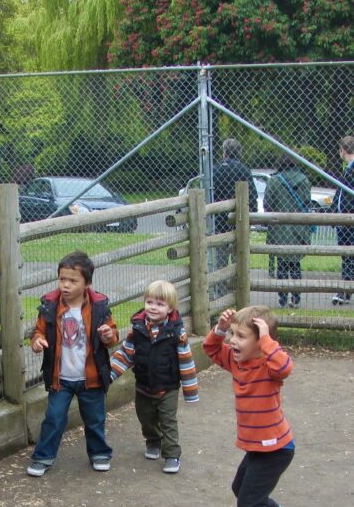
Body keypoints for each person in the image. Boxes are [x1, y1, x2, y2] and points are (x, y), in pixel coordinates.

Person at [202, 305, 307, 507]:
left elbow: (285, 366)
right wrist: (221, 329)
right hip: (259, 448)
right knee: (240, 488)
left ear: (260, 341)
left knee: (248, 504)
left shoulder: (268, 365)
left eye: (241, 336)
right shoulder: (237, 361)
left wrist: (266, 340)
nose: (233, 341)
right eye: (233, 335)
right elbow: (211, 349)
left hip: (276, 449)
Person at [26, 251, 119, 477]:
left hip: (91, 377)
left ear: (87, 283)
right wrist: (37, 341)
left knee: (95, 419)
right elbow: (37, 332)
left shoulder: (98, 307)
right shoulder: (50, 306)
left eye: (73, 280)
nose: (66, 285)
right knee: (54, 418)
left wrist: (108, 336)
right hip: (61, 378)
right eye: (62, 279)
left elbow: (113, 336)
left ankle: (99, 453)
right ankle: (43, 457)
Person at [108, 280, 199, 474]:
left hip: (168, 387)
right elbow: (125, 354)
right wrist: (108, 374)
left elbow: (186, 361)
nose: (153, 308)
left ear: (170, 308)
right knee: (146, 417)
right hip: (143, 386)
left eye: (160, 304)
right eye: (150, 302)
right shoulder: (138, 330)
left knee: (168, 421)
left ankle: (172, 454)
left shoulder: (176, 333)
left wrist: (190, 391)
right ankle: (153, 441)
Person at [210, 139, 258, 299]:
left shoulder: (214, 170)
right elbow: (252, 196)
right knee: (240, 257)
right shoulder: (243, 170)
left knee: (220, 260)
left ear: (224, 152)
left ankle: (221, 293)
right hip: (239, 221)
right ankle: (239, 290)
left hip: (218, 222)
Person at [263, 155, 311, 309]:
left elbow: (267, 204)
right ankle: (296, 299)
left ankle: (282, 300)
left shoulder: (274, 181)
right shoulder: (304, 180)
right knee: (295, 264)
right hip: (298, 228)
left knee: (282, 265)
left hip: (279, 229)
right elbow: (307, 203)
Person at [331, 135, 354, 305]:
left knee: (349, 256)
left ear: (343, 150)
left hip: (349, 221)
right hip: (343, 222)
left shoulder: (351, 171)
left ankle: (345, 292)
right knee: (347, 256)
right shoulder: (348, 169)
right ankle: (345, 291)